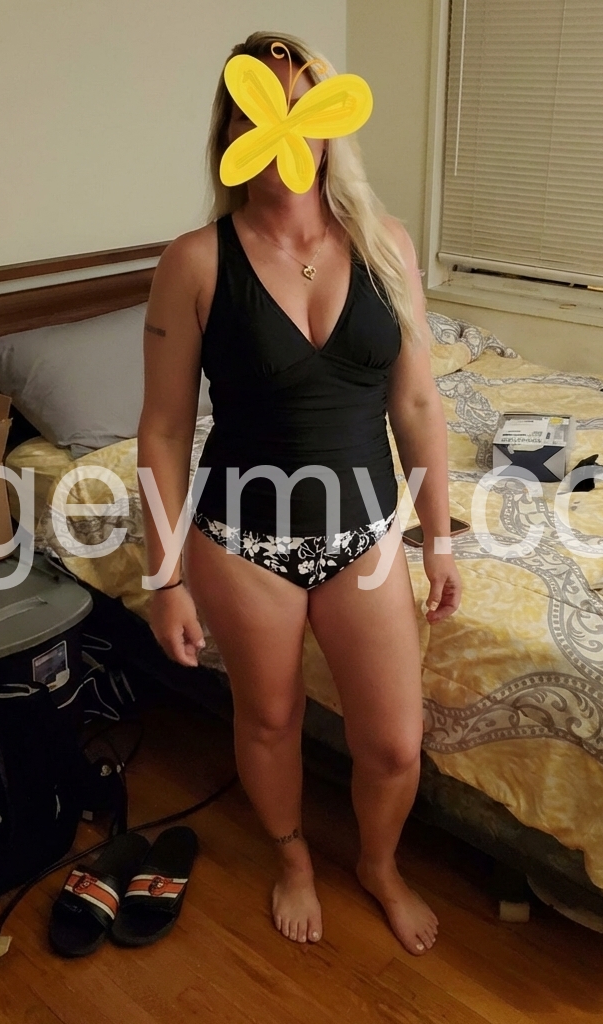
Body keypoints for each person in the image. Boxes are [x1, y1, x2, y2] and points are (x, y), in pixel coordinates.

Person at [137, 30, 461, 957]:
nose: (284, 128)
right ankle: (292, 858)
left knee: (394, 744)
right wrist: (165, 578)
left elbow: (416, 402)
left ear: (332, 118)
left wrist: (438, 535)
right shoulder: (196, 262)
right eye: (258, 110)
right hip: (242, 539)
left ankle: (378, 864)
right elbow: (163, 431)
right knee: (270, 718)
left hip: (364, 533)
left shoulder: (387, 244)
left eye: (302, 104)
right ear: (231, 131)